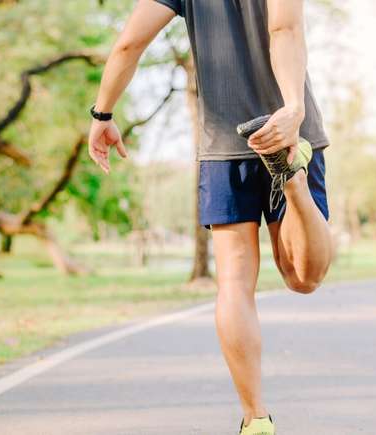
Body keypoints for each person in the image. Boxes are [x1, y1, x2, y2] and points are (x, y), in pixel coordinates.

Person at [86, 1, 333, 434]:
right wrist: (292, 109)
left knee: (234, 282)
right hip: (289, 132)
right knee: (303, 279)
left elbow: (129, 44)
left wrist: (103, 114)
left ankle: (256, 420)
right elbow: (284, 29)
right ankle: (290, 178)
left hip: (224, 143)